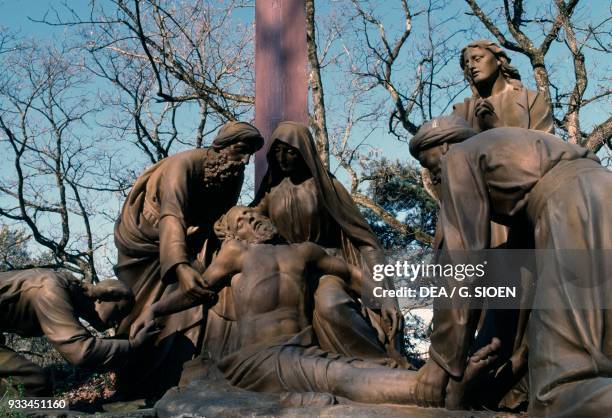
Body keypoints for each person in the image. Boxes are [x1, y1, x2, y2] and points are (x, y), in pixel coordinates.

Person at [133, 206, 501, 405]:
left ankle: (436, 382)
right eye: (242, 220)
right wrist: (154, 310)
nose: (254, 220)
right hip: (258, 359)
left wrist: (385, 297)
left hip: (300, 349)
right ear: (232, 234)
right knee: (340, 377)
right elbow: (196, 290)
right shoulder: (235, 254)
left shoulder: (303, 252)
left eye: (254, 214)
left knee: (344, 370)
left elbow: (354, 275)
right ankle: (436, 389)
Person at [410, 116, 612, 416]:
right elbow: (516, 286)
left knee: (563, 386)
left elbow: (463, 260)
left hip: (571, 209)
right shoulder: (522, 161)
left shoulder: (460, 156)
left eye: (434, 168)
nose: (436, 179)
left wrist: (440, 360)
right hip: (601, 194)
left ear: (447, 146)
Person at [113, 121, 263, 398]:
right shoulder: (182, 165)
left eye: (249, 155)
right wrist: (180, 266)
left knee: (192, 299)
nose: (244, 161)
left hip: (188, 240)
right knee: (138, 307)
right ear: (221, 147)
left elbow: (222, 216)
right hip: (146, 239)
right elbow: (172, 214)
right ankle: (132, 385)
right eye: (241, 151)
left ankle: (172, 378)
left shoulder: (233, 174)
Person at [248, 121, 402, 364]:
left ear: (304, 151)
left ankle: (378, 365)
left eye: (289, 151)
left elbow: (366, 241)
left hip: (326, 268)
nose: (282, 158)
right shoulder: (270, 191)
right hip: (286, 270)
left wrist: (385, 295)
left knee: (331, 305)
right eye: (276, 151)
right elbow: (246, 221)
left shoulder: (328, 187)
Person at [0, 269, 156, 396]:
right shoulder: (51, 290)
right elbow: (80, 351)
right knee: (32, 382)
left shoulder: (65, 290)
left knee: (29, 382)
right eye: (118, 311)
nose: (116, 322)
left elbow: (81, 344)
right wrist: (134, 345)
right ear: (102, 298)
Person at [453, 39, 553, 134]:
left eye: (477, 59)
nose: (471, 66)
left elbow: (545, 145)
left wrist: (496, 127)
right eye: (467, 64)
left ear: (499, 60)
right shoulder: (462, 112)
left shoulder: (531, 99)